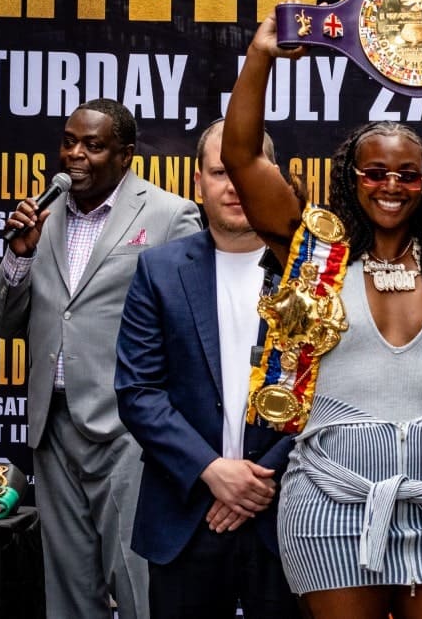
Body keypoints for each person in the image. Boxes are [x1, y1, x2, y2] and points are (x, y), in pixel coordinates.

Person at [218, 8, 422, 619]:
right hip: (330, 506)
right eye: (374, 172)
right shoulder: (314, 254)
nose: (390, 185)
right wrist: (260, 57)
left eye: (407, 174)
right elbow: (243, 159)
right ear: (351, 177)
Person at [0, 98, 201, 618]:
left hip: (129, 429)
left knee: (136, 581)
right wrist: (19, 255)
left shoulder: (170, 215)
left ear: (126, 155)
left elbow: (194, 329)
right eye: (68, 141)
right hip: (53, 424)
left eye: (92, 145)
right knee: (67, 587)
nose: (74, 155)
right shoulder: (42, 214)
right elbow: (2, 322)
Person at [114, 120, 299, 618]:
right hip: (184, 515)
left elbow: (328, 389)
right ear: (197, 181)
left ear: (272, 176)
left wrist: (258, 481)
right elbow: (138, 391)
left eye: (246, 170)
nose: (234, 185)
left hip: (284, 519)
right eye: (220, 172)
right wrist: (213, 471)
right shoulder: (158, 270)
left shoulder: (309, 271)